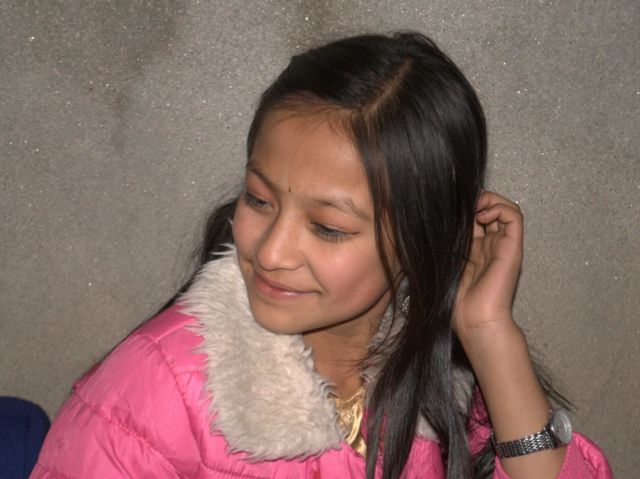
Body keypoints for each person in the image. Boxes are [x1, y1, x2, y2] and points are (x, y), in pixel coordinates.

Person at [31, 32, 612, 479]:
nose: (272, 251)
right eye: (259, 199)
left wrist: (489, 334)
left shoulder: (440, 383)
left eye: (328, 228)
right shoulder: (155, 392)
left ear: (421, 241)